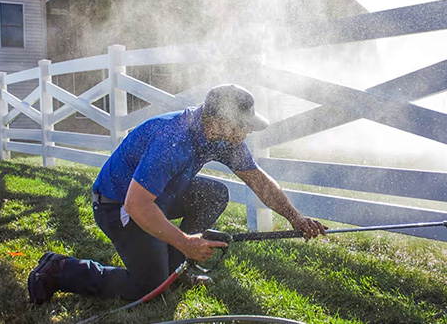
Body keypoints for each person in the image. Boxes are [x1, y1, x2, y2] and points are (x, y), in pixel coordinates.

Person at [28, 83, 327, 304]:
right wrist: (185, 242)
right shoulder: (173, 139)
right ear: (221, 121)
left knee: (213, 194)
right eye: (243, 125)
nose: (247, 132)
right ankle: (59, 269)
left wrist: (296, 218)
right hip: (118, 205)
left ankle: (178, 268)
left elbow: (258, 181)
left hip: (157, 197)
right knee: (148, 289)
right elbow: (135, 204)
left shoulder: (222, 139)